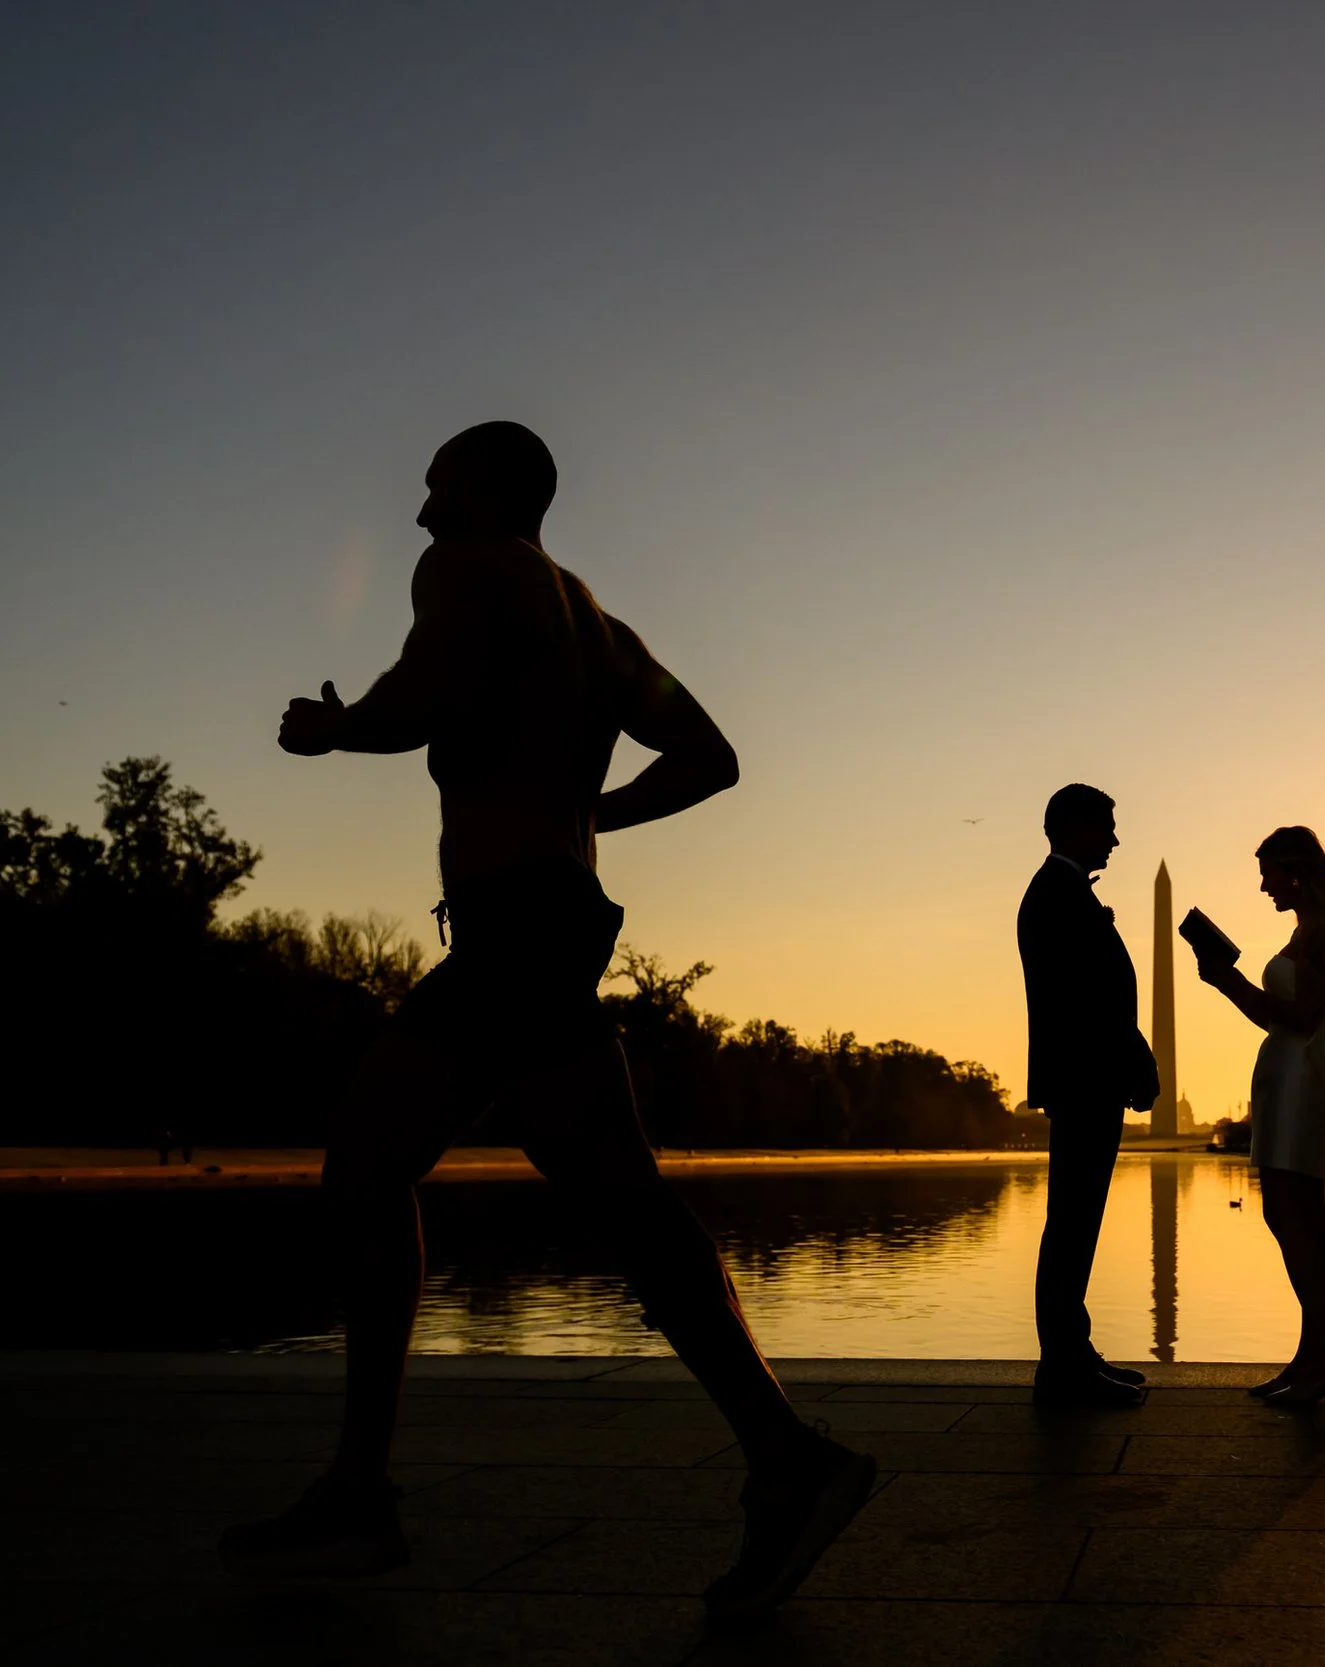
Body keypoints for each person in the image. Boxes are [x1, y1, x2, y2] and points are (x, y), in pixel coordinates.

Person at [220, 421, 873, 1627]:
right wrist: (586, 811)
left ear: (482, 486)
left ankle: (364, 1493)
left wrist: (331, 729)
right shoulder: (595, 623)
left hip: (515, 928)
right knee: (625, 1201)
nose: (419, 508)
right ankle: (785, 1455)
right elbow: (710, 757)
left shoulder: (470, 565)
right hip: (553, 917)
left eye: (434, 483)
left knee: (364, 1166)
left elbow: (423, 697)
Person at [1192, 826, 1325, 1407]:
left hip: (1302, 1084)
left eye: (1269, 873)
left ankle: (1324, 1356)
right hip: (1287, 1081)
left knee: (1297, 1215)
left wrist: (1228, 982)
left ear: (1296, 873)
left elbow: (1297, 1019)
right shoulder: (1310, 929)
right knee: (1294, 1215)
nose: (1263, 885)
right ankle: (1315, 1352)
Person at [1017, 783, 1159, 1407]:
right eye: (1108, 825)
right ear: (1075, 826)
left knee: (1077, 1220)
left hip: (1086, 1075)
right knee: (1073, 1220)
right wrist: (1136, 1057)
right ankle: (1065, 1366)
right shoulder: (1058, 894)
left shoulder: (1063, 891)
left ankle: (1072, 1352)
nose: (1116, 839)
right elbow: (1087, 1001)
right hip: (1086, 1077)